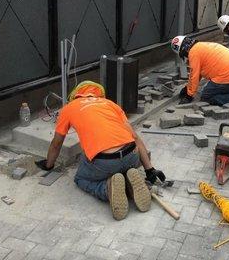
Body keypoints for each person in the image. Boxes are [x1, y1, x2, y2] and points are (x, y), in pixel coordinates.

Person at [35, 81, 166, 221]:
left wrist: (49, 164)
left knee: (80, 178)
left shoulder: (69, 108)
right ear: (98, 94)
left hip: (105, 162)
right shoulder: (110, 104)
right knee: (121, 164)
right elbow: (135, 137)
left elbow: (57, 143)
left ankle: (107, 189)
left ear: (76, 95)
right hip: (131, 155)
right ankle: (129, 183)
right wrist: (150, 170)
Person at [171, 36, 229, 108]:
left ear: (182, 51)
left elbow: (194, 75)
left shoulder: (193, 53)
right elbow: (197, 74)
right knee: (217, 88)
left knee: (206, 96)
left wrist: (189, 95)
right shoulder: (201, 46)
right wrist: (188, 88)